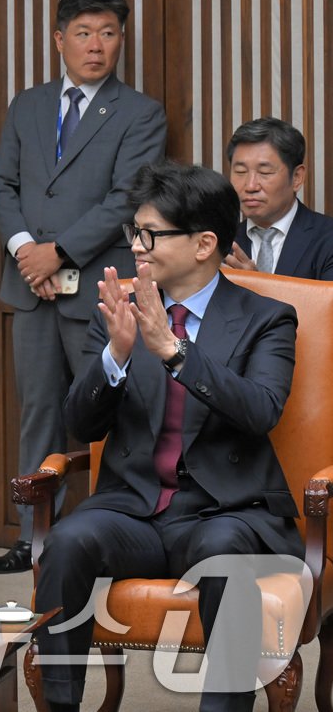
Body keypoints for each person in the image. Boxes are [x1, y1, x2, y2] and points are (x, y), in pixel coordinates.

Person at [34, 160, 301, 712]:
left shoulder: (268, 318)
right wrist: (117, 355)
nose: (136, 245)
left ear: (205, 243)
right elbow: (79, 426)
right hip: (135, 509)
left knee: (222, 553)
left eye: (151, 234)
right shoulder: (118, 310)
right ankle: (58, 703)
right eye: (136, 231)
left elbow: (261, 411)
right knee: (67, 540)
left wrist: (175, 352)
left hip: (224, 511)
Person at [0, 0, 168, 574]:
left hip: (98, 285)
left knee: (106, 410)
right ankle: (33, 537)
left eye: (109, 34)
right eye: (84, 33)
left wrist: (57, 252)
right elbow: (0, 186)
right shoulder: (28, 104)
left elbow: (127, 199)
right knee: (39, 410)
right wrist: (24, 252)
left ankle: (103, 536)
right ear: (59, 39)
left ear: (121, 41)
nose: (97, 46)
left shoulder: (140, 113)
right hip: (30, 287)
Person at [223, 117, 333, 280]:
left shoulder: (327, 238)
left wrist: (254, 288)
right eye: (240, 172)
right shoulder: (220, 242)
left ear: (297, 177)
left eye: (265, 172)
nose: (251, 186)